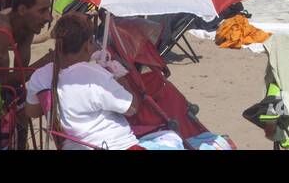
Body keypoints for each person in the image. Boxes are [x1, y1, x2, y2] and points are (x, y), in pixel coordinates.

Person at [23, 12, 179, 150]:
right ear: (86, 46)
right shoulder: (95, 75)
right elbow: (132, 108)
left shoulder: (40, 76)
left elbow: (32, 112)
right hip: (115, 145)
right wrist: (119, 75)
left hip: (73, 144)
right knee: (173, 138)